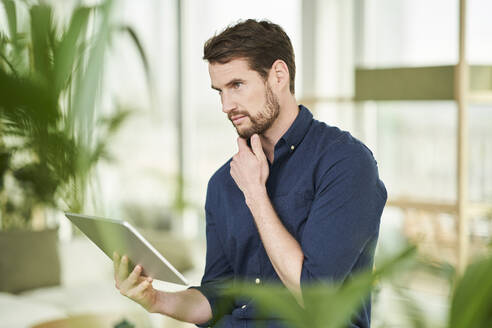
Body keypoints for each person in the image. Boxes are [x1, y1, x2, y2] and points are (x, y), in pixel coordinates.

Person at [113, 19, 387, 328]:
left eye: (237, 85)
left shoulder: (346, 163)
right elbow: (218, 297)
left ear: (278, 76)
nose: (226, 105)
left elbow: (313, 296)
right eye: (219, 91)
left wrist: (255, 193)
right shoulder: (222, 182)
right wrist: (156, 300)